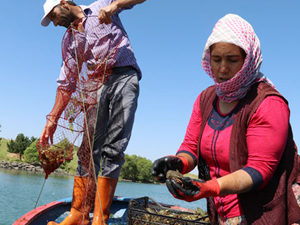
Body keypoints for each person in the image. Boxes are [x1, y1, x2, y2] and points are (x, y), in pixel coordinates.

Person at [151, 14, 300, 225]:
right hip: (221, 212)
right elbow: (191, 147)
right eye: (216, 59)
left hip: (262, 212)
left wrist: (208, 187)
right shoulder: (206, 99)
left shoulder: (268, 102)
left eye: (232, 60)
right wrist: (178, 163)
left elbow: (260, 170)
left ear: (249, 59)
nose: (222, 69)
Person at [38, 0, 146, 224]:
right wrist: (52, 120)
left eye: (54, 16)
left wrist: (115, 7)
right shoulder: (70, 41)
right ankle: (78, 213)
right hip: (94, 87)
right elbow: (66, 83)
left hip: (124, 77)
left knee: (114, 149)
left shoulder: (100, 6)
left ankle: (100, 218)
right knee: (87, 149)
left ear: (64, 4)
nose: (56, 23)